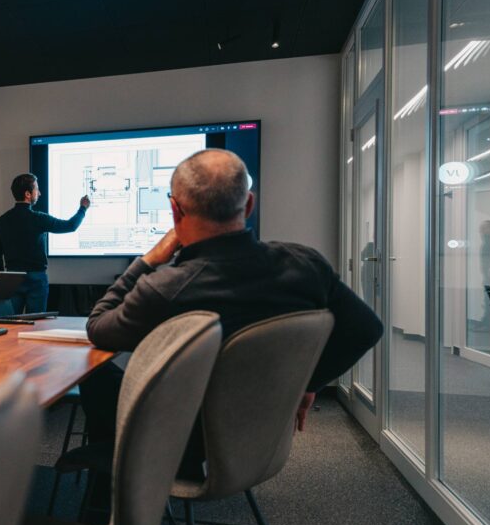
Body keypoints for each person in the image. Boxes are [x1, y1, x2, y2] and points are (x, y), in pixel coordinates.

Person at [82, 148, 383, 481]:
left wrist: (149, 258)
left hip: (180, 442)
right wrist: (308, 381)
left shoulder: (166, 287)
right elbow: (366, 329)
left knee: (95, 377)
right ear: (249, 204)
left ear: (174, 209)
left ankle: (113, 498)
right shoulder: (305, 264)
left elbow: (99, 327)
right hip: (262, 435)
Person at [0, 173, 90, 313]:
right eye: (36, 189)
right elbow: (70, 226)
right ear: (27, 194)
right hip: (36, 279)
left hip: (11, 279)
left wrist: (3, 281)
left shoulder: (1, 221)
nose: (40, 193)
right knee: (36, 325)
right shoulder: (38, 219)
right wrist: (83, 208)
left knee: (10, 324)